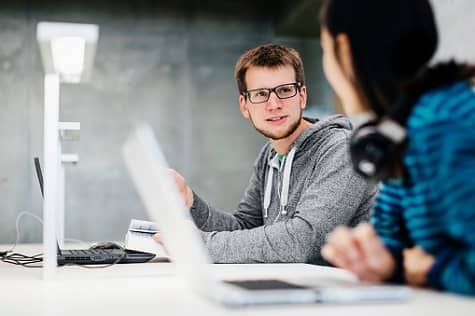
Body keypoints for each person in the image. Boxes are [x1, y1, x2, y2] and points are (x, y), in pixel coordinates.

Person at [156, 44, 377, 265]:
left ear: (302, 96)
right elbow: (245, 228)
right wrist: (190, 202)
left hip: (347, 294)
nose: (274, 104)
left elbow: (303, 241)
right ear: (244, 106)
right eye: (260, 94)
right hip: (295, 288)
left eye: (284, 90)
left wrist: (199, 245)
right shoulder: (270, 155)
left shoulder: (342, 149)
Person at [319, 0, 475, 295]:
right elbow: (394, 242)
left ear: (344, 48)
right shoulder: (397, 131)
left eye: (325, 50)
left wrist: (427, 269)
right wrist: (379, 258)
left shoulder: (440, 124)